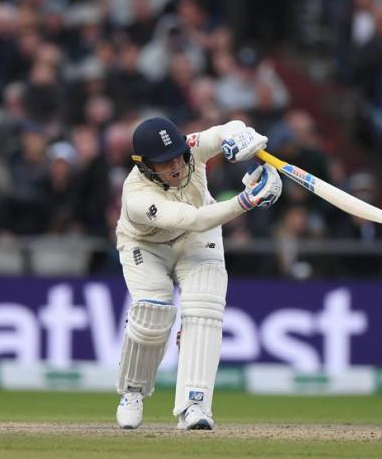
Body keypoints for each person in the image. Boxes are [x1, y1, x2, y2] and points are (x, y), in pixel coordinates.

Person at [114, 117, 282, 430]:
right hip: (147, 247)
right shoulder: (137, 197)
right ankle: (133, 392)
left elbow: (225, 130)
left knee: (204, 310)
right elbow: (195, 219)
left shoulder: (190, 149)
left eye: (178, 155)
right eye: (165, 163)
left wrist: (243, 138)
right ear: (144, 165)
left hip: (196, 243)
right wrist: (248, 199)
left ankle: (195, 405)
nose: (177, 166)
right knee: (153, 313)